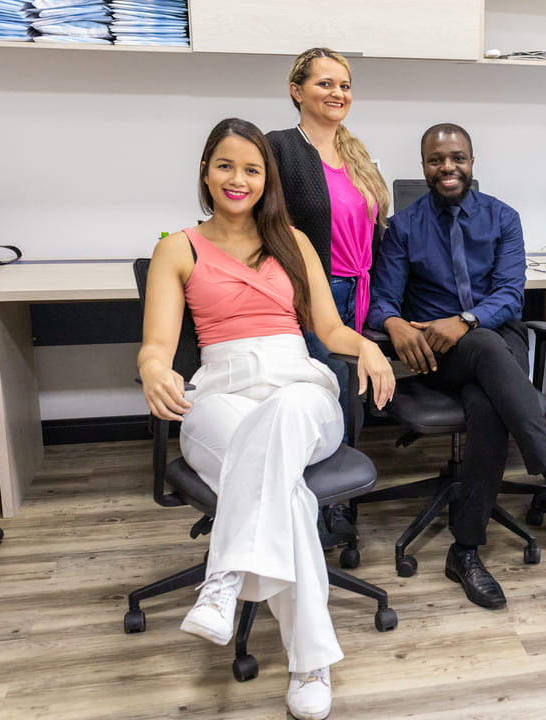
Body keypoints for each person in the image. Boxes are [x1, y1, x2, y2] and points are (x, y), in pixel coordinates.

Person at [138, 118, 395, 719]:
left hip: (298, 386)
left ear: (266, 179)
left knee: (286, 413)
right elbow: (157, 346)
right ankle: (310, 663)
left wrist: (367, 346)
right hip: (220, 393)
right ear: (206, 172)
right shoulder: (177, 248)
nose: (239, 179)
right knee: (290, 498)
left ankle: (224, 578)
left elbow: (329, 329)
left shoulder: (294, 242)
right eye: (225, 165)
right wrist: (153, 371)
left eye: (252, 169)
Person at [367, 123, 546, 609]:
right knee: (483, 351)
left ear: (472, 162)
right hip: (437, 355)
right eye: (436, 160)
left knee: (487, 394)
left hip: (496, 340)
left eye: (457, 157)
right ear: (423, 167)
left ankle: (466, 550)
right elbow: (382, 300)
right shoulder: (403, 228)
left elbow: (511, 296)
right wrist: (394, 324)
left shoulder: (503, 218)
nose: (447, 167)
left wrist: (466, 320)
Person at [267, 47, 391, 546]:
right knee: (326, 389)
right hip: (310, 293)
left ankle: (336, 499)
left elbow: (375, 229)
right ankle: (310, 504)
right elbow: (266, 225)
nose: (337, 93)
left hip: (358, 291)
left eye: (344, 85)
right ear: (296, 91)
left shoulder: (357, 155)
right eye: (324, 84)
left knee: (347, 395)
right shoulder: (279, 148)